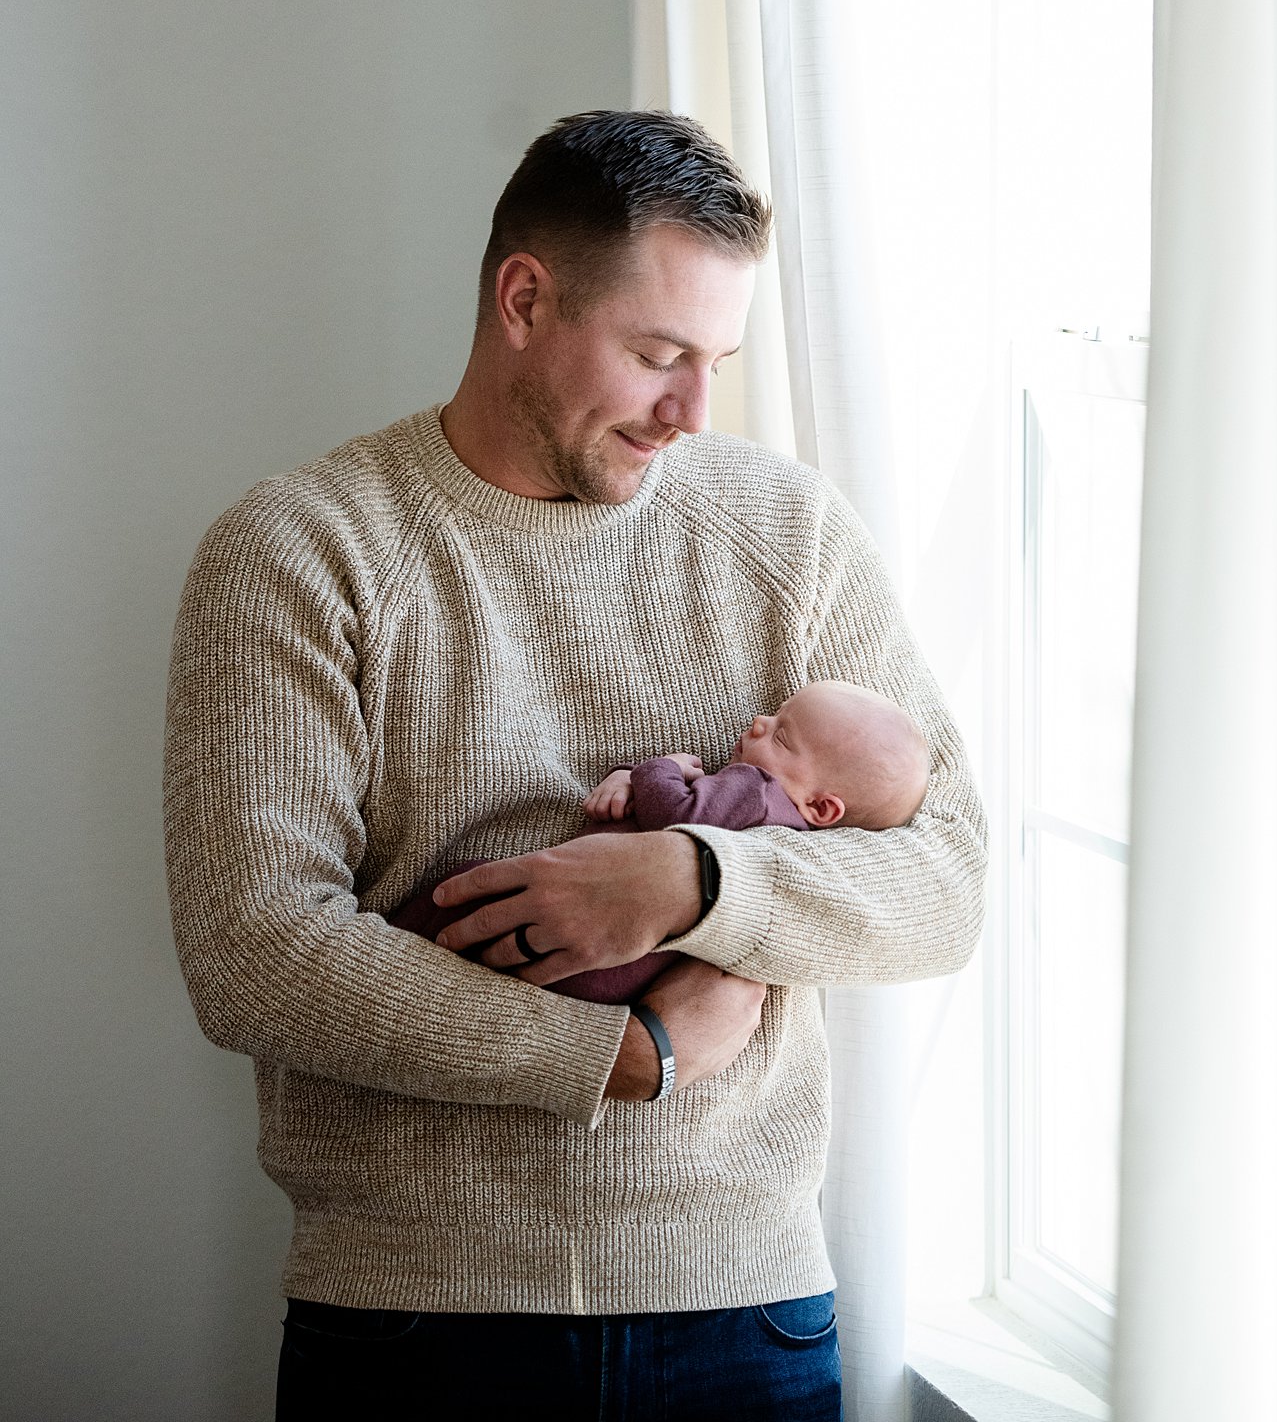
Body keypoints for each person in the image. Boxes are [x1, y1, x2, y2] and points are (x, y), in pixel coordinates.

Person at [163, 109, 987, 1422]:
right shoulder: (299, 550)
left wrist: (688, 880)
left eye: (714, 360)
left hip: (744, 1311)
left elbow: (946, 880)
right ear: (525, 299)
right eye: (656, 354)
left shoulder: (785, 531)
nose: (689, 412)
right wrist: (617, 1055)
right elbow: (252, 949)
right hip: (416, 1323)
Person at [386, 679, 931, 1005]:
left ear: (821, 807)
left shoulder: (756, 791)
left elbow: (675, 811)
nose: (761, 722)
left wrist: (656, 770)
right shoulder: (789, 835)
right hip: (634, 980)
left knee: (458, 896)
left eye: (783, 735)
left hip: (593, 950)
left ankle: (393, 937)